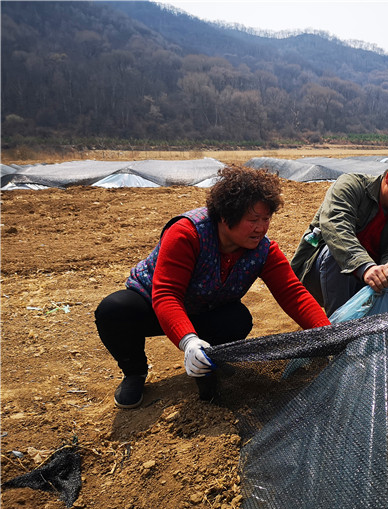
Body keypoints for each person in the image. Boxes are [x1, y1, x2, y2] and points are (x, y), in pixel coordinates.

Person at [95, 165, 331, 409]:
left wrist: (329, 336)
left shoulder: (263, 250)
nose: (261, 227)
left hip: (203, 311)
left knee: (237, 319)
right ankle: (134, 372)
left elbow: (294, 294)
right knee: (115, 310)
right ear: (225, 216)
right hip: (152, 306)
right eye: (252, 220)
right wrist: (188, 341)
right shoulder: (187, 234)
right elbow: (167, 294)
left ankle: (209, 362)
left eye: (266, 219)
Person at [291, 152, 388, 316]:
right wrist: (365, 267)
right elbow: (336, 225)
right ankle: (339, 331)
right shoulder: (352, 186)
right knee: (335, 253)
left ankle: (376, 331)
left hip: (370, 283)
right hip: (319, 277)